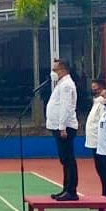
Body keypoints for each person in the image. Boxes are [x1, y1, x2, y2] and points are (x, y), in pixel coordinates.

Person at [45, 59, 80, 201]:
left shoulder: (66, 85)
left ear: (63, 70)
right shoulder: (61, 84)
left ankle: (71, 191)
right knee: (64, 159)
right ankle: (66, 188)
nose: (53, 73)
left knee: (68, 158)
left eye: (55, 70)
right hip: (59, 126)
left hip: (65, 127)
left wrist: (62, 127)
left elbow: (66, 107)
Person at [83, 78, 106, 189]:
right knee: (99, 168)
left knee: (103, 169)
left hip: (99, 142)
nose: (94, 91)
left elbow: (103, 123)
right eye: (92, 88)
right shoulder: (95, 102)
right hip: (94, 141)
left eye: (96, 88)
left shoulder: (102, 103)